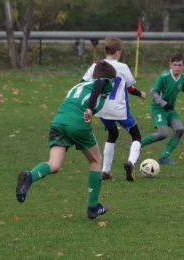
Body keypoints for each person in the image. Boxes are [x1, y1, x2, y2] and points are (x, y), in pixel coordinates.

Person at [15, 61, 116, 220]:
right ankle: (92, 207)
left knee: (54, 165)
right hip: (77, 122)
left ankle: (30, 176)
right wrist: (90, 108)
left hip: (58, 122)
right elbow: (101, 82)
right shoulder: (104, 81)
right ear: (111, 78)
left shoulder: (80, 85)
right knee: (96, 160)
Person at [82, 36, 146, 182]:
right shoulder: (122, 67)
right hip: (120, 110)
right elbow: (129, 88)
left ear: (105, 51)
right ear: (118, 52)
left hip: (103, 110)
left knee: (112, 134)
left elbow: (83, 83)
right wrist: (140, 93)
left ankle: (105, 171)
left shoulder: (95, 66)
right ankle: (130, 162)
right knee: (136, 136)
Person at [141, 52, 184, 165]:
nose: (177, 67)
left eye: (180, 65)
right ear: (170, 65)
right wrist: (163, 103)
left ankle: (164, 157)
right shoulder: (163, 77)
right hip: (158, 108)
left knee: (179, 130)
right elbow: (152, 92)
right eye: (175, 65)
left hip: (170, 109)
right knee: (163, 134)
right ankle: (138, 144)